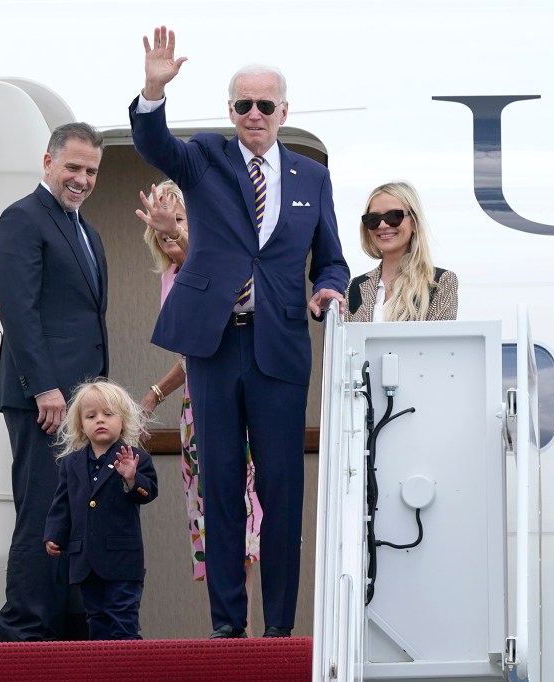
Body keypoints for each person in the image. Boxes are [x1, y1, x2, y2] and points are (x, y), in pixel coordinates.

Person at [129, 27, 350, 638]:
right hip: (215, 345)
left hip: (279, 345)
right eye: (244, 105)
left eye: (266, 105)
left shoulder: (312, 179)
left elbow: (331, 258)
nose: (255, 114)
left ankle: (278, 632)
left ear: (285, 111)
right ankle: (229, 630)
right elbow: (153, 143)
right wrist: (153, 88)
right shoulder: (205, 157)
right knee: (221, 488)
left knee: (282, 493)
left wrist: (329, 286)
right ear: (231, 111)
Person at [0, 122, 108, 642]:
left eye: (91, 171)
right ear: (48, 163)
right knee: (41, 513)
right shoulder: (22, 219)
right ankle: (23, 634)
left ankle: (69, 631)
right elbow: (18, 310)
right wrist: (43, 386)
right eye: (73, 167)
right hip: (47, 400)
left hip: (81, 403)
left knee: (75, 517)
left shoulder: (88, 231)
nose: (82, 179)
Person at [136, 181, 263, 634]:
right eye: (163, 233)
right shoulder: (171, 276)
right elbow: (190, 350)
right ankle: (229, 625)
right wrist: (153, 395)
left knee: (242, 512)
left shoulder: (223, 262)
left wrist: (188, 243)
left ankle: (241, 629)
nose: (171, 238)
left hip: (238, 400)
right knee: (209, 513)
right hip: (197, 406)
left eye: (180, 224)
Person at [44, 380, 158, 640]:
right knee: (96, 619)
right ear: (81, 425)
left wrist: (131, 478)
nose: (100, 420)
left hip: (122, 561)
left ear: (123, 420)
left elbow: (148, 492)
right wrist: (54, 534)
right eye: (91, 416)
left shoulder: (135, 457)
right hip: (85, 561)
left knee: (123, 618)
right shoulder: (71, 464)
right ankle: (101, 669)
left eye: (108, 414)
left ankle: (127, 669)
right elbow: (62, 504)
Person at [344, 181, 458, 322]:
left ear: (414, 222)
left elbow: (441, 342)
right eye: (373, 219)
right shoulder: (355, 287)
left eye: (394, 216)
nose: (383, 225)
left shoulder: (440, 282)